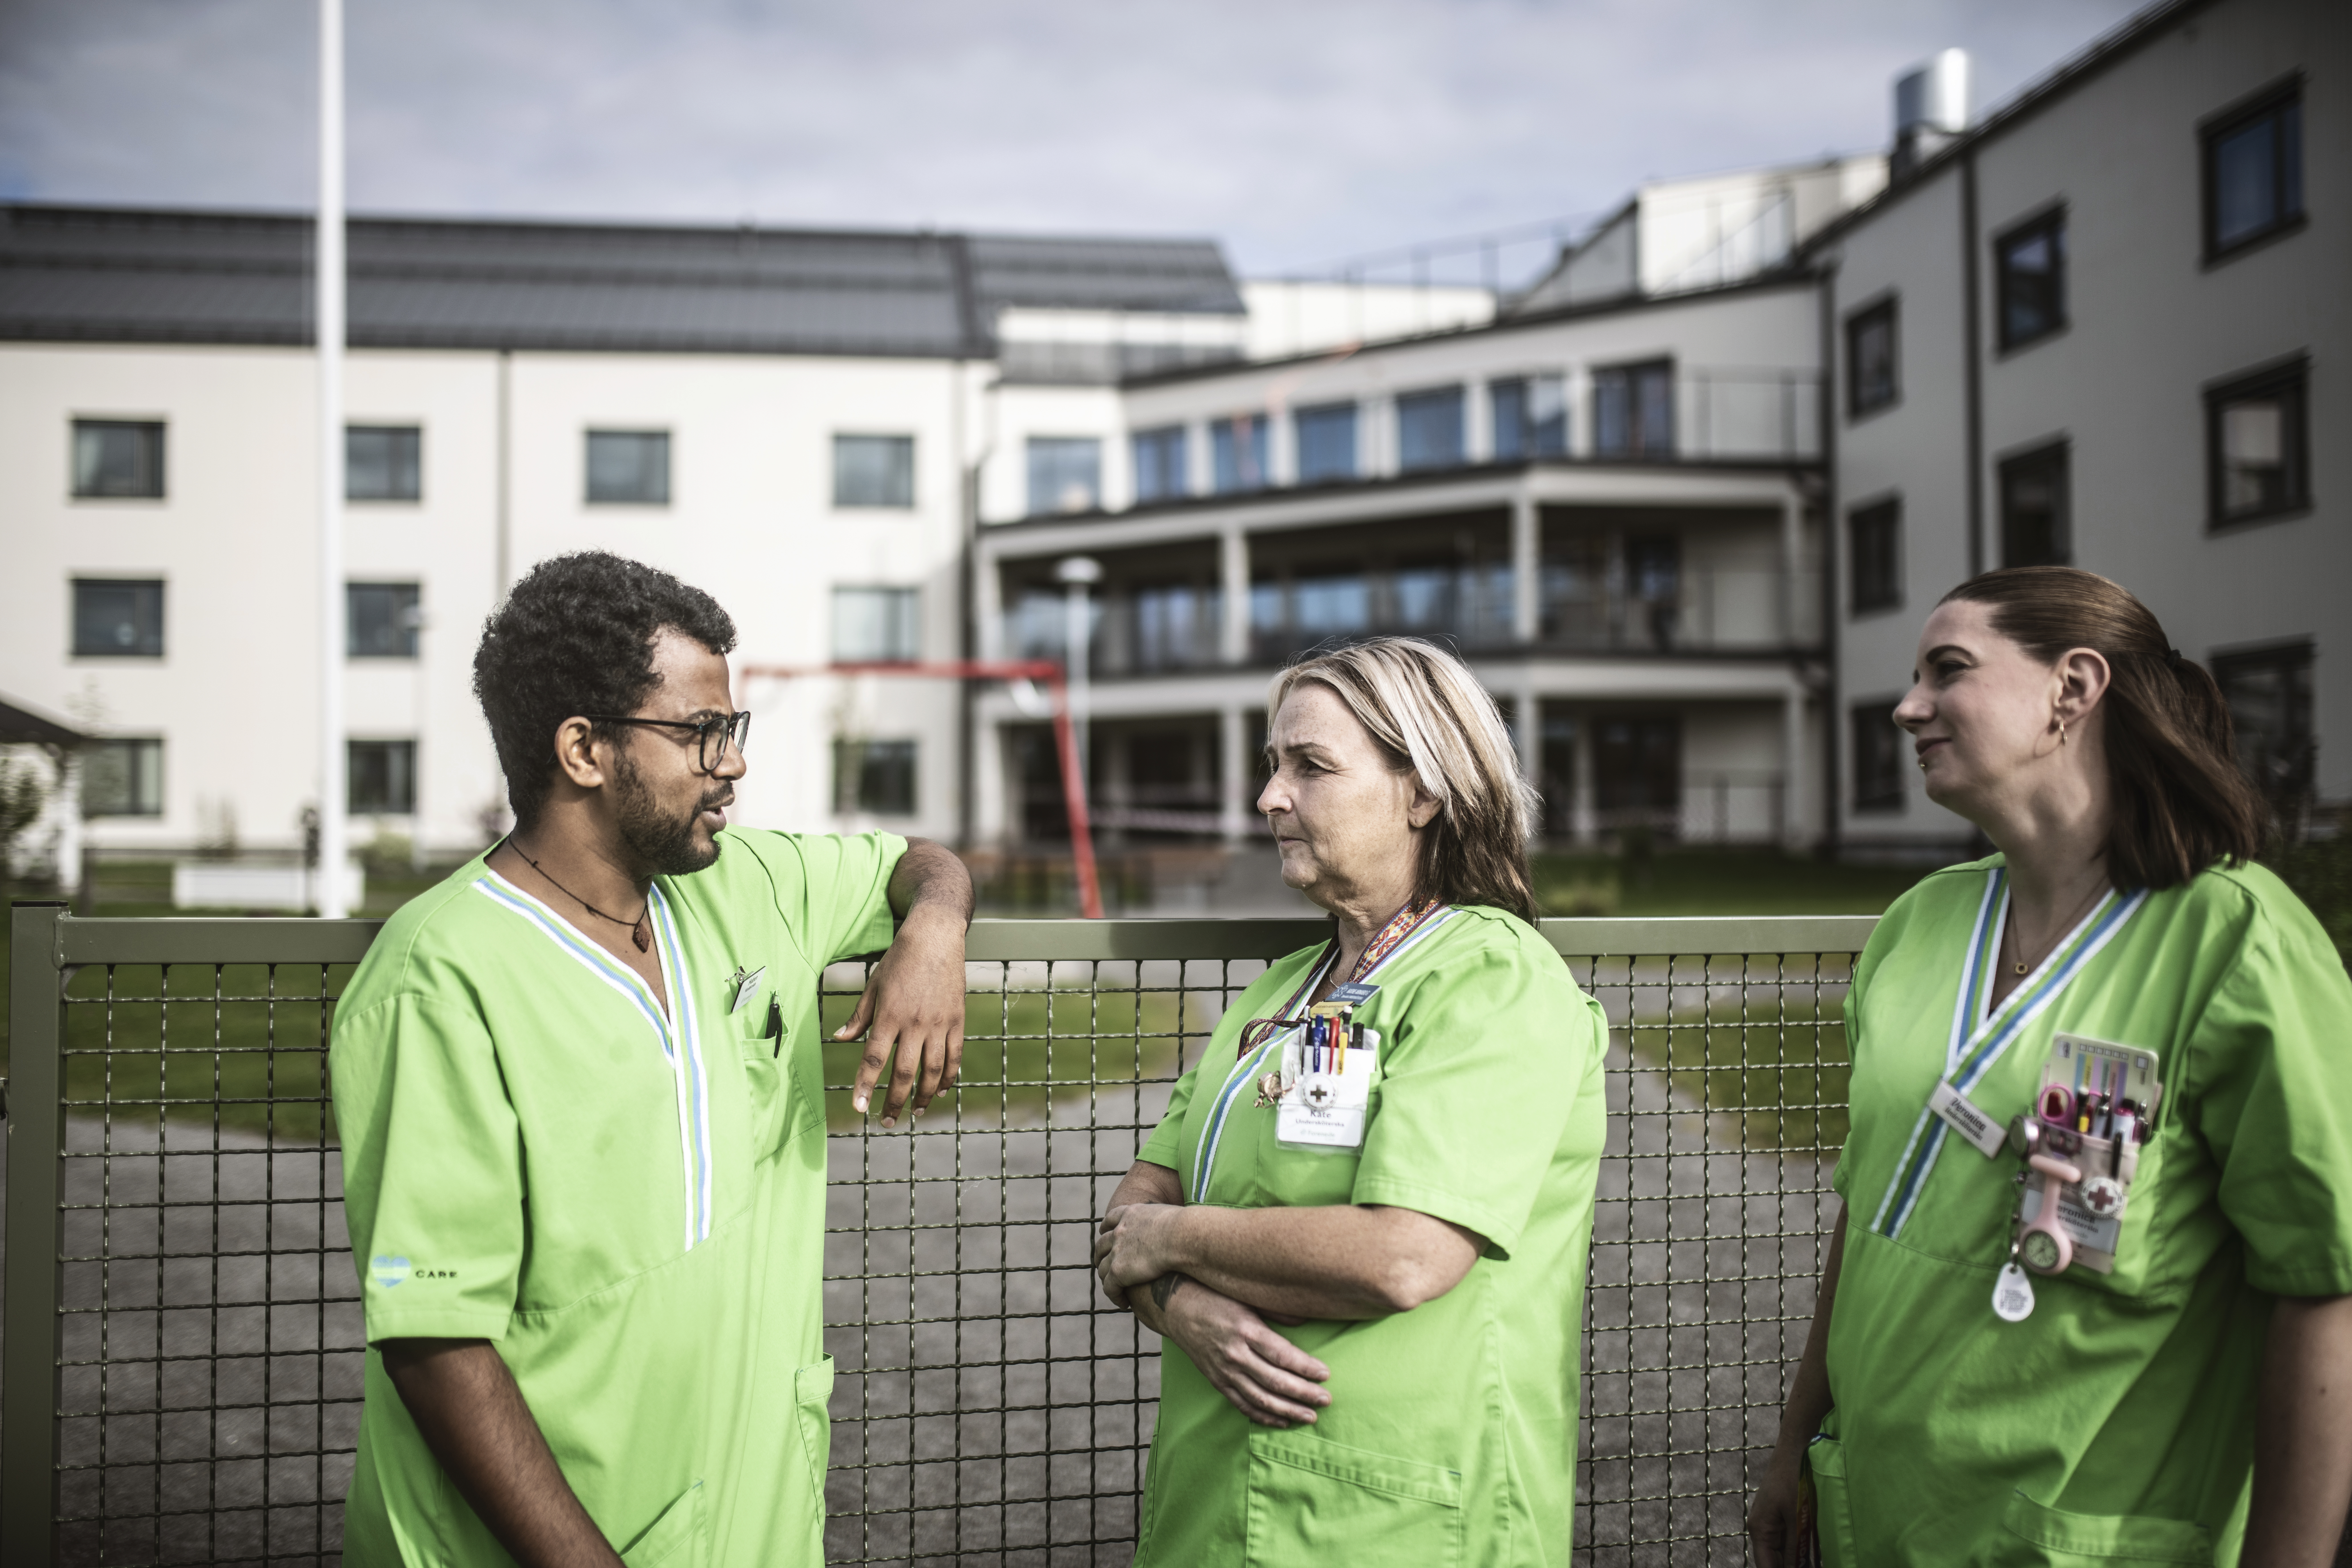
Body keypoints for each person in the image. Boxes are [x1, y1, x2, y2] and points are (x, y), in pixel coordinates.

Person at [331, 552, 973, 1567]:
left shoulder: (749, 883)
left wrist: (934, 933)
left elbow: (919, 863)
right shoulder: (439, 979)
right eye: (700, 733)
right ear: (585, 750)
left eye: (733, 730)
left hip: (756, 1528)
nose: (734, 763)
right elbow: (437, 1340)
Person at [1747, 567, 2352, 1568]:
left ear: (2073, 690)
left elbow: (2322, 1281)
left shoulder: (2234, 942)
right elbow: (1869, 1217)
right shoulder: (1920, 926)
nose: (1908, 709)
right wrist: (1794, 1445)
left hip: (2084, 1538)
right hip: (1882, 1520)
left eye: (1949, 671)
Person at [1092, 636, 1609, 1565]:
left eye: (1312, 766)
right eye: (1273, 765)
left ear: (1425, 791)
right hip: (1215, 1511)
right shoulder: (1281, 990)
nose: (1269, 798)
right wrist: (1182, 1307)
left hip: (1402, 1521)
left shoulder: (1492, 978)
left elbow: (1406, 1255)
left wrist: (1165, 1250)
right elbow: (1132, 1209)